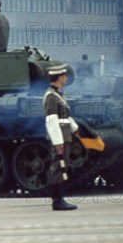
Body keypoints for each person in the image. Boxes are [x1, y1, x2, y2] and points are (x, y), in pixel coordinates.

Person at [42, 63, 79, 211]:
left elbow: (64, 117)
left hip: (65, 136)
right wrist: (58, 142)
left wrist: (74, 128)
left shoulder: (57, 95)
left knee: (63, 166)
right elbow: (51, 121)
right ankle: (57, 201)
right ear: (59, 77)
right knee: (58, 167)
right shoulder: (51, 96)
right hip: (60, 138)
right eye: (64, 76)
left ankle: (60, 198)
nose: (66, 78)